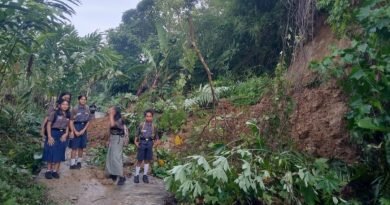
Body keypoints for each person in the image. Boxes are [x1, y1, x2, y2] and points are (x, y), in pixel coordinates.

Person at [42, 99, 71, 179]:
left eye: (66, 104)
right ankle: (48, 171)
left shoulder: (68, 114)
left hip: (62, 135)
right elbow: (48, 125)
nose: (65, 106)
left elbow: (68, 126)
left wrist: (65, 134)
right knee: (51, 151)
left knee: (60, 152)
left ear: (68, 106)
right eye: (63, 104)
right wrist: (49, 136)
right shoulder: (54, 113)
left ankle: (55, 171)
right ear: (60, 105)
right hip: (53, 133)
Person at [134, 109, 160, 184]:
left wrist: (154, 144)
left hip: (149, 143)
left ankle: (145, 175)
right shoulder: (141, 125)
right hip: (142, 142)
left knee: (147, 160)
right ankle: (136, 175)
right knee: (139, 159)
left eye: (150, 116)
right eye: (147, 116)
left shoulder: (154, 126)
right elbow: (137, 134)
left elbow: (157, 137)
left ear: (152, 117)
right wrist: (136, 142)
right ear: (145, 117)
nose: (149, 118)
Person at [105, 106, 128, 186]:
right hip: (113, 138)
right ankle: (113, 173)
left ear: (115, 111)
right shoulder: (114, 118)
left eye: (111, 109)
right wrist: (108, 140)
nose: (109, 110)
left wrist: (111, 115)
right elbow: (110, 130)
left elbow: (112, 125)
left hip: (118, 139)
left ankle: (121, 176)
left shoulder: (120, 120)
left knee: (116, 157)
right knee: (110, 156)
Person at [69, 95, 92, 169]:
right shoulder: (75, 108)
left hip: (84, 127)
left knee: (81, 147)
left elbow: (88, 120)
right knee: (74, 147)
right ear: (79, 100)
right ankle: (72, 164)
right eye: (82, 99)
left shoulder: (87, 108)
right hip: (76, 126)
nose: (83, 101)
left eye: (85, 99)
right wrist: (74, 131)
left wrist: (84, 130)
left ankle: (79, 162)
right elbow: (71, 121)